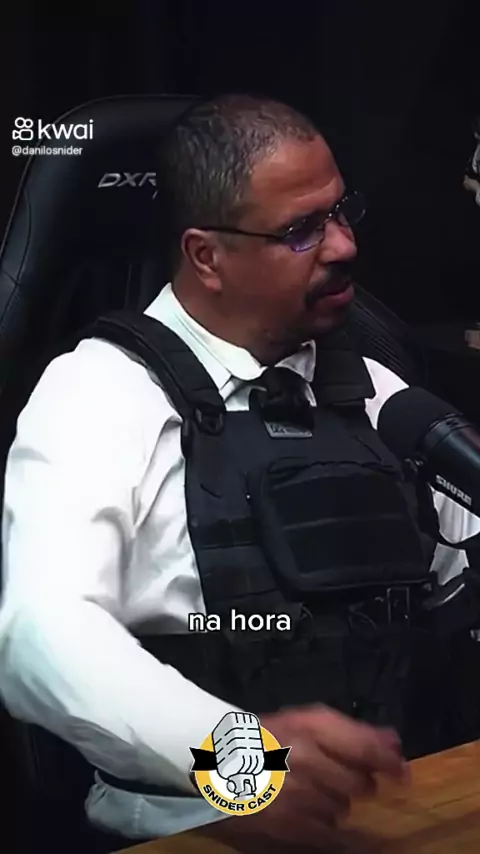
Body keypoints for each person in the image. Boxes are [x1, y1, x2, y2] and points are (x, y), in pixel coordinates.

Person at [0, 93, 479, 851]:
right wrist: (247, 768)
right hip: (190, 835)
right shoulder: (99, 395)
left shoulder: (376, 391)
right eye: (300, 231)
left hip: (401, 815)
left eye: (340, 211)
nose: (343, 245)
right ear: (206, 256)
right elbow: (40, 638)